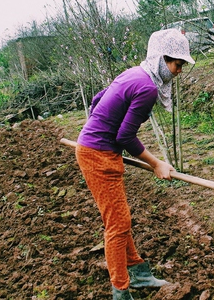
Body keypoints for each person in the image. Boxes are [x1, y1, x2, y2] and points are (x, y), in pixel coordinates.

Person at [75, 28, 195, 300]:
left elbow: (98, 100)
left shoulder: (133, 73)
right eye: (177, 64)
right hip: (98, 155)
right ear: (161, 59)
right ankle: (121, 290)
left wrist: (96, 130)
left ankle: (138, 272)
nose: (178, 71)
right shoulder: (147, 88)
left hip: (97, 149)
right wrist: (156, 164)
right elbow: (125, 136)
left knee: (119, 218)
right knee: (117, 224)